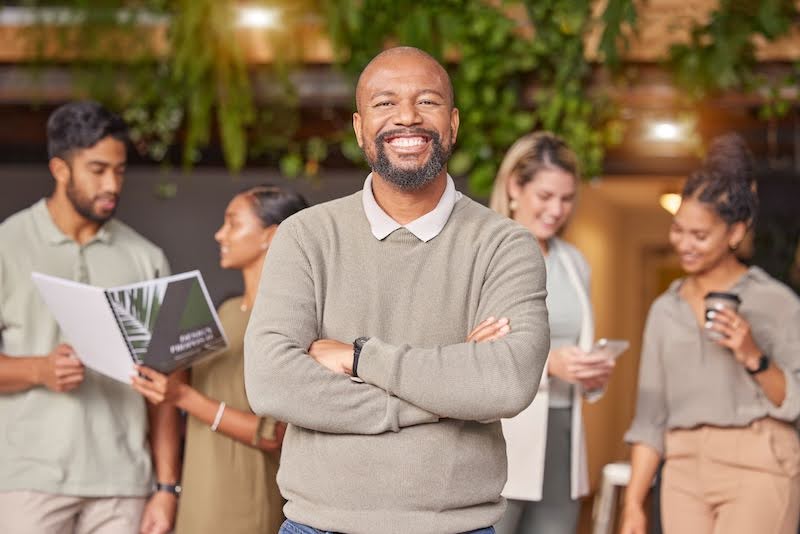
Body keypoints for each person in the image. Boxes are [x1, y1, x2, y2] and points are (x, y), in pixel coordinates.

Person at [243, 46, 551, 534]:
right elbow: (271, 382)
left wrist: (359, 357)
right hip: (317, 525)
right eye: (385, 103)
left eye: (426, 101)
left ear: (453, 123)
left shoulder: (504, 245)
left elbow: (506, 383)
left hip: (457, 528)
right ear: (359, 127)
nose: (407, 117)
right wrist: (444, 395)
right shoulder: (304, 236)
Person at [0, 101, 181, 534]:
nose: (112, 185)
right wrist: (39, 370)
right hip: (29, 482)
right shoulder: (6, 245)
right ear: (60, 169)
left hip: (125, 484)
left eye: (119, 171)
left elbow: (167, 384)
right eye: (97, 170)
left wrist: (166, 488)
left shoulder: (147, 259)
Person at [621, 133, 800, 534]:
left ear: (735, 233)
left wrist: (753, 355)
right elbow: (650, 418)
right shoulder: (665, 310)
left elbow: (795, 401)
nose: (684, 244)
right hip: (683, 469)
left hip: (760, 463)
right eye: (678, 230)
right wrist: (633, 502)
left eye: (699, 236)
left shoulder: (776, 303)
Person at [132, 185, 308, 534]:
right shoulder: (224, 312)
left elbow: (275, 433)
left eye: (233, 223)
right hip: (198, 491)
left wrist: (182, 397)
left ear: (270, 236)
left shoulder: (290, 319)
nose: (220, 234)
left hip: (246, 495)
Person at [488, 132, 616, 534]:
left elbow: (576, 342)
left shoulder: (574, 262)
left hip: (563, 432)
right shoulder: (486, 253)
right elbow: (472, 351)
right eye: (545, 196)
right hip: (502, 435)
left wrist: (592, 372)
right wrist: (549, 366)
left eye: (567, 198)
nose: (557, 210)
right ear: (514, 186)